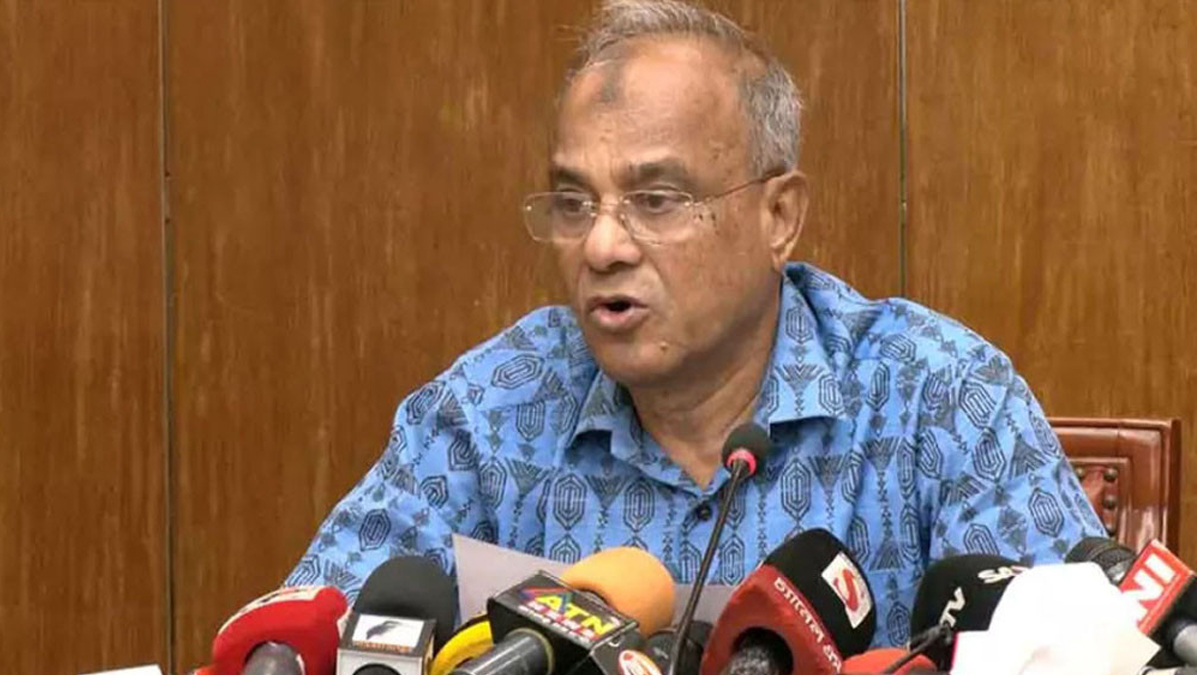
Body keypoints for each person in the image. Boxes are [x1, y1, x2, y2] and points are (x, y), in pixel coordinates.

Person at [286, 0, 1103, 646]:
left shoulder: (940, 399)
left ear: (779, 216)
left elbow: (1078, 648)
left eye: (656, 200)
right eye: (574, 202)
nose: (602, 246)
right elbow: (302, 632)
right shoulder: (488, 409)